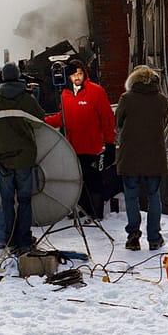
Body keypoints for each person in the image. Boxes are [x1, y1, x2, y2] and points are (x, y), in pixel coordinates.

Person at [0, 62, 45, 253]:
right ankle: (25, 240)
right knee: (24, 200)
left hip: (3, 160)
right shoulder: (26, 98)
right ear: (18, 77)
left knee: (6, 202)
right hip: (24, 159)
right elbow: (40, 121)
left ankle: (9, 240)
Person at [45, 57, 115, 220]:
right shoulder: (65, 95)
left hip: (93, 148)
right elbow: (63, 117)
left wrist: (110, 142)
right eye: (73, 74)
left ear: (85, 74)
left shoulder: (96, 91)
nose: (77, 77)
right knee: (77, 182)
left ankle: (96, 214)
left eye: (80, 73)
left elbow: (107, 118)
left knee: (94, 182)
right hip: (72, 148)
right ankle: (80, 211)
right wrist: (43, 121)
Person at [116, 65, 168, 252]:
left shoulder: (126, 99)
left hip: (130, 155)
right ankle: (154, 238)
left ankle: (133, 237)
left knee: (131, 196)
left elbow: (118, 122)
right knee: (154, 196)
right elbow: (165, 122)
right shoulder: (161, 100)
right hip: (154, 155)